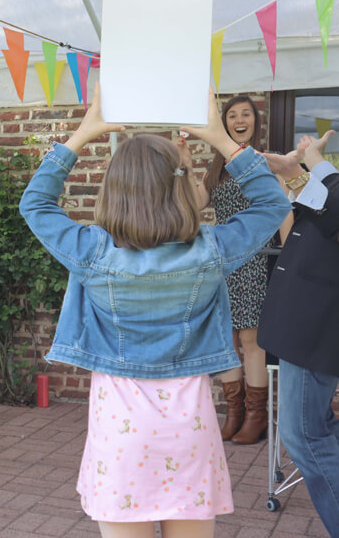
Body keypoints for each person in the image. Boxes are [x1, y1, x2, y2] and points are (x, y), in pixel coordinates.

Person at [19, 84, 289, 538]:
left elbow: (36, 204)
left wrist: (82, 135)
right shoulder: (211, 251)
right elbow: (272, 203)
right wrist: (222, 141)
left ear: (115, 189)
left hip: (119, 435)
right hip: (189, 429)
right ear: (180, 186)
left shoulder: (91, 252)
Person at [175, 96, 283, 444]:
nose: (239, 120)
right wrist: (186, 167)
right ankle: (233, 412)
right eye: (232, 115)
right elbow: (193, 205)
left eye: (245, 114)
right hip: (223, 262)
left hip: (255, 257)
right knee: (227, 339)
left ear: (256, 121)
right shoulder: (217, 168)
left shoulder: (262, 162)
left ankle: (256, 416)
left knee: (251, 340)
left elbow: (280, 210)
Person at [259, 130, 339, 534]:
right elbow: (320, 223)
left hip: (318, 327)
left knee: (304, 436)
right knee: (315, 430)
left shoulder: (329, 177)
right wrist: (294, 175)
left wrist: (314, 165)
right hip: (307, 323)